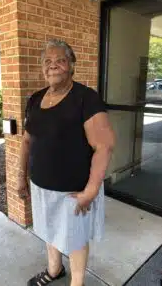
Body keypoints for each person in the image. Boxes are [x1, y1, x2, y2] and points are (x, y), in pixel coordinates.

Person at [18, 39, 115, 286]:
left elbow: (104, 146)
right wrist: (21, 178)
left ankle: (77, 283)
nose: (53, 66)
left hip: (74, 191)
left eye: (60, 60)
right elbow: (27, 141)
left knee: (75, 239)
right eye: (47, 61)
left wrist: (91, 191)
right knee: (50, 230)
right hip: (41, 186)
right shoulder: (35, 99)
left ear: (71, 65)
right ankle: (54, 270)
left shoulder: (85, 98)